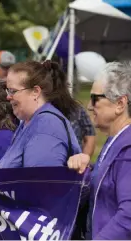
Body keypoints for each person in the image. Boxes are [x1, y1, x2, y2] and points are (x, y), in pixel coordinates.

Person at [0, 60, 81, 174]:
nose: (8, 97)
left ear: (35, 92)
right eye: (7, 91)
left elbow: (38, 185)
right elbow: (14, 173)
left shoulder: (46, 126)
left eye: (13, 91)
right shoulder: (29, 122)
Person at [68, 61, 131, 240]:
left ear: (120, 103)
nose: (89, 106)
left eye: (96, 99)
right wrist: (88, 166)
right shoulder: (115, 140)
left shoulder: (127, 148)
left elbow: (128, 214)